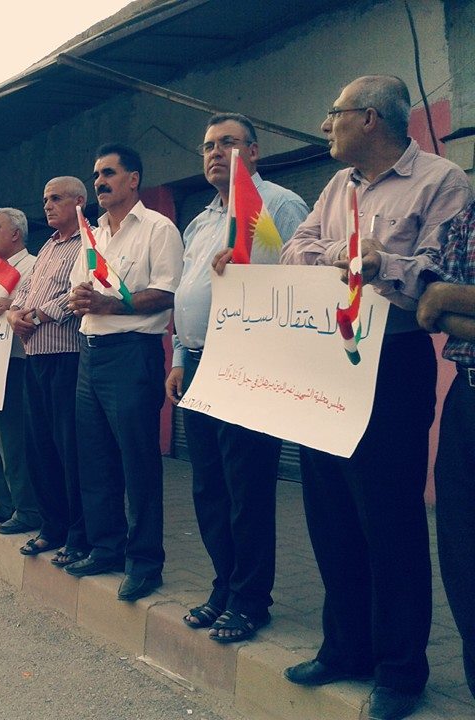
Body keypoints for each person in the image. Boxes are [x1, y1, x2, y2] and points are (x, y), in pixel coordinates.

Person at [274, 76, 472, 720]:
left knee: (389, 519)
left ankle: (401, 671)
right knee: (329, 512)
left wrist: (381, 264)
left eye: (334, 113)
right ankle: (345, 648)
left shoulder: (441, 181)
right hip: (327, 358)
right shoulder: (339, 186)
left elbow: (439, 276)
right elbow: (298, 250)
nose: (325, 125)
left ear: (368, 118)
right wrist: (350, 253)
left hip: (391, 361)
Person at [166, 114, 309, 642]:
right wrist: (178, 357)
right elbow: (187, 294)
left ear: (253, 151)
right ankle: (224, 586)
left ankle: (251, 600)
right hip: (198, 363)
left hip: (250, 362)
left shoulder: (279, 205)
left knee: (246, 486)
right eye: (207, 146)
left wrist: (253, 271)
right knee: (209, 487)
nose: (214, 152)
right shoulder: (200, 221)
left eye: (227, 143)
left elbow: (303, 278)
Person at [66, 143, 183, 604]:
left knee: (138, 463)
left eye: (109, 173)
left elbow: (167, 292)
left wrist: (114, 304)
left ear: (133, 179)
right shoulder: (93, 236)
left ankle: (145, 563)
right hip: (90, 354)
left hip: (133, 355)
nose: (100, 182)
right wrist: (80, 299)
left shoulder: (158, 228)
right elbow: (81, 289)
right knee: (95, 459)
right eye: (96, 174)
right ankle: (106, 548)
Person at [7, 177, 88, 564]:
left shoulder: (87, 242)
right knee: (39, 447)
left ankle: (78, 533)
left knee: (69, 448)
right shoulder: (48, 247)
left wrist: (37, 316)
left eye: (56, 199)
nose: (48, 206)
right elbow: (24, 291)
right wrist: (15, 314)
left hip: (66, 356)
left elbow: (77, 294)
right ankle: (51, 526)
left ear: (79, 201)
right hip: (35, 357)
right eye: (45, 200)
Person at [416, 199, 475, 701]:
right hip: (467, 396)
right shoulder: (467, 217)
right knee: (461, 550)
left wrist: (448, 296)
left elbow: (442, 299)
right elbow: (429, 311)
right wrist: (440, 296)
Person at [0, 208, 41, 534]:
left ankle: (26, 508)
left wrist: (11, 308)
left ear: (16, 233)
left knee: (13, 441)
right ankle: (4, 503)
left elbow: (33, 310)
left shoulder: (33, 266)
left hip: (16, 362)